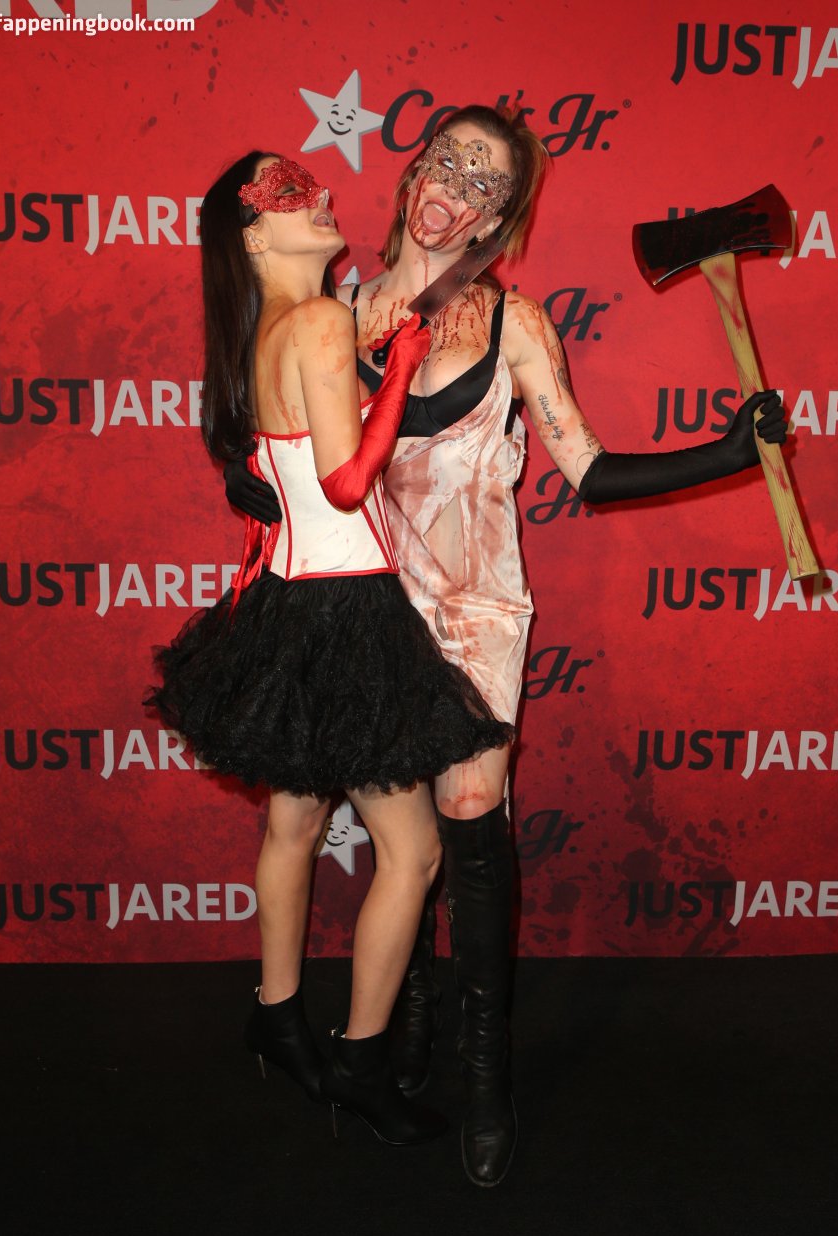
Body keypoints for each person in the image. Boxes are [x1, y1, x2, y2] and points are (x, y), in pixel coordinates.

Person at [224, 109, 787, 1186]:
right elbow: (290, 438)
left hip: (478, 609)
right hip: (372, 612)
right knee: (402, 842)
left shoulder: (516, 323)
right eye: (449, 160)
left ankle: (485, 1074)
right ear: (413, 176)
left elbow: (589, 469)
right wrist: (251, 478)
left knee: (470, 816)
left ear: (496, 220)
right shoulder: (339, 308)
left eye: (486, 181)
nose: (460, 184)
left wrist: (726, 453)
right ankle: (406, 1026)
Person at [149, 150, 513, 1147]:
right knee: (415, 849)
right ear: (252, 236)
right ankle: (358, 1061)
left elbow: (274, 458)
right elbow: (348, 485)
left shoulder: (264, 331)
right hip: (344, 607)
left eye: (308, 187)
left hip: (284, 604)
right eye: (287, 196)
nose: (318, 198)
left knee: (293, 821)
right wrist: (401, 367)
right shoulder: (316, 322)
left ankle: (275, 1017)